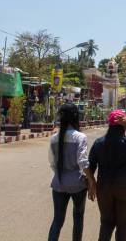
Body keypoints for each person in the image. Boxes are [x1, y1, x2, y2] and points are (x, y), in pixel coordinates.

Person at [88, 110, 126, 241]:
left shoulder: (98, 143)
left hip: (103, 187)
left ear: (110, 125)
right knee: (123, 225)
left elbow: (90, 166)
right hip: (123, 186)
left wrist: (91, 183)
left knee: (106, 223)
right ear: (124, 125)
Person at [47, 103, 95, 241]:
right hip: (77, 184)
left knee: (57, 220)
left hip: (59, 182)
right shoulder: (80, 137)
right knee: (78, 217)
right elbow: (82, 161)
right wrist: (91, 179)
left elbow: (52, 162)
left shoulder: (54, 138)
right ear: (76, 117)